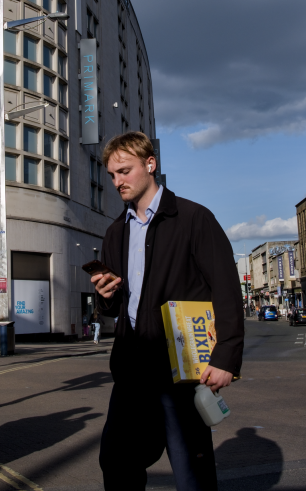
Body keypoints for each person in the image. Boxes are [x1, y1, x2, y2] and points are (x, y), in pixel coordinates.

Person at [91, 132, 244, 491]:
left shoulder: (194, 218)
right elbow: (116, 306)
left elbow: (226, 289)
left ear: (150, 164)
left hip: (182, 372)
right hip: (132, 370)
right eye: (112, 175)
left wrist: (226, 357)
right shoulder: (116, 232)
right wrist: (104, 296)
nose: (118, 182)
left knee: (191, 474)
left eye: (124, 171)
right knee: (116, 462)